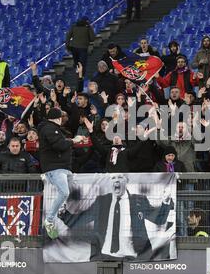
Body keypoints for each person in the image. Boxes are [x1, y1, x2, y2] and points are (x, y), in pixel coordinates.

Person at [59, 174, 173, 260]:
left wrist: (166, 202)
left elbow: (159, 220)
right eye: (113, 178)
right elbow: (81, 220)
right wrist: (64, 214)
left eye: (120, 177)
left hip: (135, 256)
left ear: (127, 181)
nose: (116, 180)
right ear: (110, 182)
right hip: (105, 255)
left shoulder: (139, 200)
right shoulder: (101, 201)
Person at [38, 108, 85, 239]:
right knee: (64, 192)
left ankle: (62, 212)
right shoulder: (49, 128)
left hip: (64, 168)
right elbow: (59, 145)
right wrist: (73, 140)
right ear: (58, 118)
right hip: (55, 168)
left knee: (69, 192)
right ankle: (50, 219)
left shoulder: (54, 129)